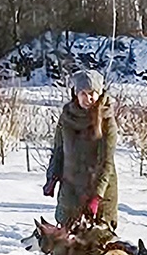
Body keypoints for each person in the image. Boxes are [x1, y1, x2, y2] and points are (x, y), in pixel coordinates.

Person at [43, 69, 119, 230]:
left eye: (92, 93)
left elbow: (106, 163)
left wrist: (97, 197)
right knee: (67, 237)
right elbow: (58, 151)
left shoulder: (107, 121)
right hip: (71, 189)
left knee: (95, 240)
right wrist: (52, 177)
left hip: (99, 190)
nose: (88, 98)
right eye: (83, 93)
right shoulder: (67, 117)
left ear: (99, 93)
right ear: (76, 94)